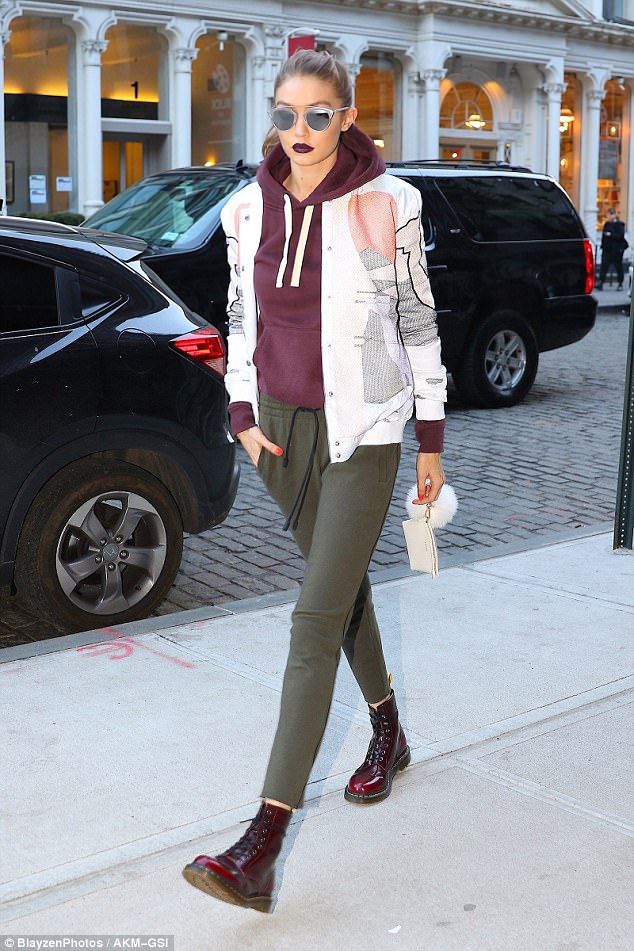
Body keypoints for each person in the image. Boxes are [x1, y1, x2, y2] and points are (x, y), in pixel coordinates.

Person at [182, 49, 448, 912]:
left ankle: (260, 842)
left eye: (319, 115)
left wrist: (431, 437)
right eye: (287, 115)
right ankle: (389, 729)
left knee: (311, 618)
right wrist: (242, 416)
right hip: (280, 436)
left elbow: (416, 321)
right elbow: (239, 317)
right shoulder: (245, 209)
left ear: (348, 116)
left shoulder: (388, 203)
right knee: (342, 596)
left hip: (363, 430)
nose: (300, 133)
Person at [596, 207, 628, 291]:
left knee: (618, 266)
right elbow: (604, 235)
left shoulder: (620, 225)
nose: (608, 217)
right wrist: (602, 245)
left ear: (614, 215)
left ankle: (620, 283)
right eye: (607, 215)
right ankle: (601, 282)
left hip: (616, 250)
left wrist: (610, 234)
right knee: (604, 266)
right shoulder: (607, 224)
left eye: (610, 215)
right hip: (607, 249)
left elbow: (620, 236)